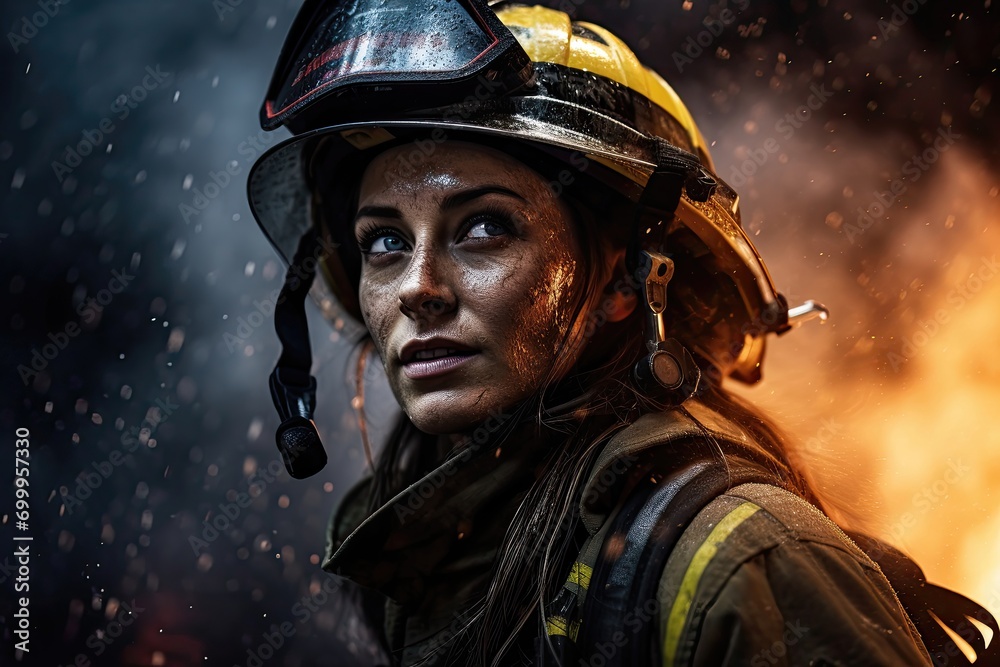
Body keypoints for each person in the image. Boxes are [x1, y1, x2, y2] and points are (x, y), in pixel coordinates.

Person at [247, 2, 995, 665]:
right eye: (384, 242)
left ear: (625, 281)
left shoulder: (751, 567)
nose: (417, 288)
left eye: (483, 226)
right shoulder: (441, 567)